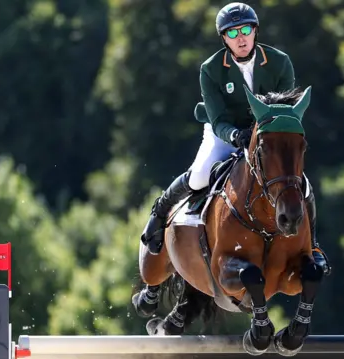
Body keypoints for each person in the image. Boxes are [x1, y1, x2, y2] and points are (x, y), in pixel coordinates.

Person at [140, 2, 331, 275]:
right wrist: (235, 135)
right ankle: (160, 213)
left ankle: (312, 246)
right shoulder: (211, 69)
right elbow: (217, 119)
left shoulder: (279, 61)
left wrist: (261, 135)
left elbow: (286, 111)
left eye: (245, 30)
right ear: (224, 39)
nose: (240, 38)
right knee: (200, 175)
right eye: (232, 33)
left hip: (266, 136)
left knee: (301, 183)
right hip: (227, 133)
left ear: (255, 31)